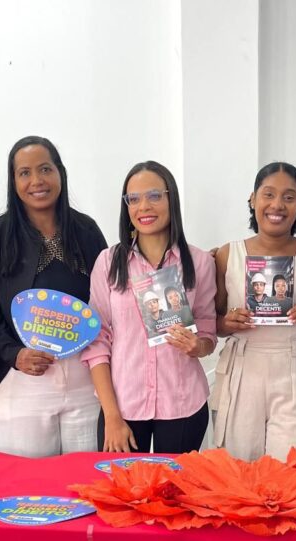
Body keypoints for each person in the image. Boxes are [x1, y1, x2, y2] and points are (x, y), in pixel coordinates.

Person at [0, 136, 107, 457]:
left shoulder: (86, 230)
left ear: (60, 172)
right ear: (13, 181)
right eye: (25, 173)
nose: (37, 181)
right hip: (20, 381)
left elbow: (108, 299)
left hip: (86, 379)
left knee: (85, 477)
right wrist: (14, 354)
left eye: (45, 169)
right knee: (26, 479)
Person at [82, 160, 216, 454]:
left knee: (176, 484)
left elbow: (208, 328)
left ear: (171, 199)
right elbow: (96, 341)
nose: (144, 206)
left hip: (183, 402)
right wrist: (111, 416)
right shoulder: (108, 262)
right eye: (134, 199)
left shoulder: (200, 262)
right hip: (124, 406)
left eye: (154, 195)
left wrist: (199, 346)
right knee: (122, 484)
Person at [212, 161, 296, 461]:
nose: (277, 205)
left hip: (295, 367)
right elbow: (213, 324)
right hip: (243, 366)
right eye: (268, 194)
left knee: (291, 469)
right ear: (253, 199)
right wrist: (228, 322)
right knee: (239, 469)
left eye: (289, 197)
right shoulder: (228, 254)